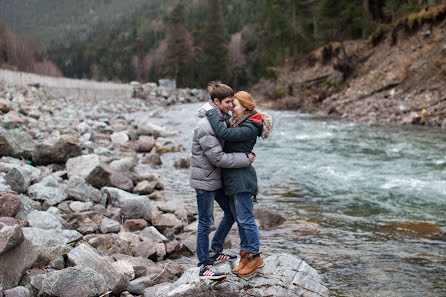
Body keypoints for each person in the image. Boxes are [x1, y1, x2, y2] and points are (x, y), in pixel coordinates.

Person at [190, 82, 255, 280]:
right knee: (205, 222)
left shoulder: (221, 118)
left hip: (216, 179)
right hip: (205, 181)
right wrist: (246, 158)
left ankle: (216, 250)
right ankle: (203, 266)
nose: (230, 105)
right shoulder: (206, 126)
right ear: (216, 101)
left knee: (230, 213)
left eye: (232, 102)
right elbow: (217, 158)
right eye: (228, 102)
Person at [204, 90, 272, 276]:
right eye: (231, 105)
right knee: (240, 220)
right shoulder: (240, 121)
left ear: (245, 107)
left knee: (246, 220)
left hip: (242, 179)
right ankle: (245, 256)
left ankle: (255, 257)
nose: (232, 108)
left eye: (234, 105)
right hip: (233, 178)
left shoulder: (250, 126)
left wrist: (210, 111)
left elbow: (223, 132)